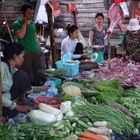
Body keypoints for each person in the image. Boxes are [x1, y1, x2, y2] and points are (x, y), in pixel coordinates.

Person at [1, 43, 48, 120]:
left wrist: (40, 89)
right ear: (15, 57)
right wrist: (16, 106)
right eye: (22, 56)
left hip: (7, 101)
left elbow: (25, 89)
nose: (24, 59)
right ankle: (6, 113)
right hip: (4, 103)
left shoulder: (13, 70)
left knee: (21, 75)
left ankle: (21, 101)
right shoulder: (2, 67)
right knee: (21, 75)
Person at [12, 3, 42, 85]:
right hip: (26, 53)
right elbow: (21, 36)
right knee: (27, 73)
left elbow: (35, 37)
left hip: (35, 51)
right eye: (29, 13)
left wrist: (40, 49)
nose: (31, 15)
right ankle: (28, 91)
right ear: (23, 13)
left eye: (32, 13)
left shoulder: (32, 23)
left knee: (38, 71)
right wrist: (25, 23)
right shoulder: (17, 24)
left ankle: (38, 87)